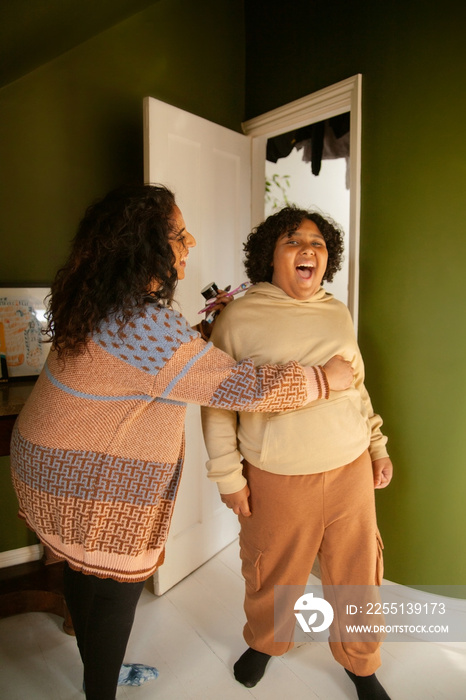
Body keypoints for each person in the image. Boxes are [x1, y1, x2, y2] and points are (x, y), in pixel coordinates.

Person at [10, 185, 354, 700]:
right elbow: (239, 386)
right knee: (112, 590)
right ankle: (100, 689)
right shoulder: (146, 322)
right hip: (88, 481)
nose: (189, 243)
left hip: (47, 462)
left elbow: (155, 362)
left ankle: (95, 671)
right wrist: (325, 379)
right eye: (177, 234)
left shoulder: (106, 302)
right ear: (142, 245)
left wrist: (196, 333)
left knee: (82, 573)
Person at [201, 206, 393, 700]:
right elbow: (218, 407)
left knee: (357, 574)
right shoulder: (237, 319)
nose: (308, 249)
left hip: (349, 470)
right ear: (270, 256)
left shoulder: (336, 312)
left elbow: (357, 387)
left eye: (319, 243)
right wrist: (229, 478)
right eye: (293, 241)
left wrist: (376, 445)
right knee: (271, 572)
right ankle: (267, 642)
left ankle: (360, 663)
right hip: (277, 478)